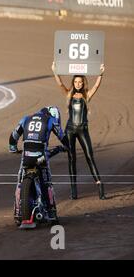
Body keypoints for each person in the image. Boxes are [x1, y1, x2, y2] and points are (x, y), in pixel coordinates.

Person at [52, 62, 106, 200]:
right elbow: (59, 84)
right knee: (72, 159)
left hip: (83, 129)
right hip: (70, 130)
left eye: (80, 82)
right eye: (76, 81)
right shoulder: (69, 94)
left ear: (83, 83)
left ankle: (99, 184)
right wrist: (55, 71)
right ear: (73, 83)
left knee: (89, 156)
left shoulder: (86, 96)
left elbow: (96, 86)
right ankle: (74, 190)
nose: (78, 84)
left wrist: (100, 73)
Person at [9, 106, 70, 221]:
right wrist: (67, 146)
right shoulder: (51, 120)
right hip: (40, 157)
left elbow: (13, 137)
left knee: (19, 181)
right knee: (47, 182)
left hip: (26, 156)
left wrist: (13, 149)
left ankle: (18, 212)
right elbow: (62, 136)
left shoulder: (26, 118)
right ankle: (51, 211)